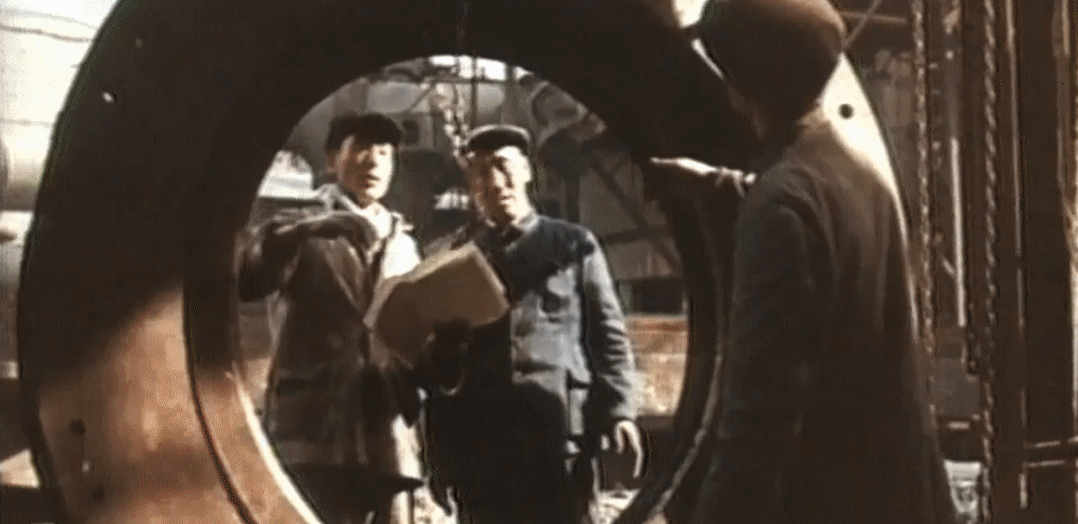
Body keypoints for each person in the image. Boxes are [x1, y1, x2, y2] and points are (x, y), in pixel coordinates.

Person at [649, 1, 959, 523]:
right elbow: (816, 219)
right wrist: (716, 184)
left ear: (739, 85)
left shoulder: (782, 204)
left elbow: (758, 417)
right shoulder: (860, 172)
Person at [418, 124, 643, 524]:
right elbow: (439, 375)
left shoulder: (573, 245)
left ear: (526, 172)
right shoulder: (454, 257)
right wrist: (441, 457)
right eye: (481, 172)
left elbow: (608, 336)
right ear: (471, 185)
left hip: (559, 437)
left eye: (504, 167)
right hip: (484, 446)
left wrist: (619, 411)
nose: (495, 182)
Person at [237, 113, 423, 524]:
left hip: (387, 430)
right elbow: (251, 280)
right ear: (331, 159)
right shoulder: (296, 225)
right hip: (315, 424)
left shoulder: (405, 244)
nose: (373, 162)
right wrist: (312, 228)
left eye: (384, 153)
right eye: (361, 148)